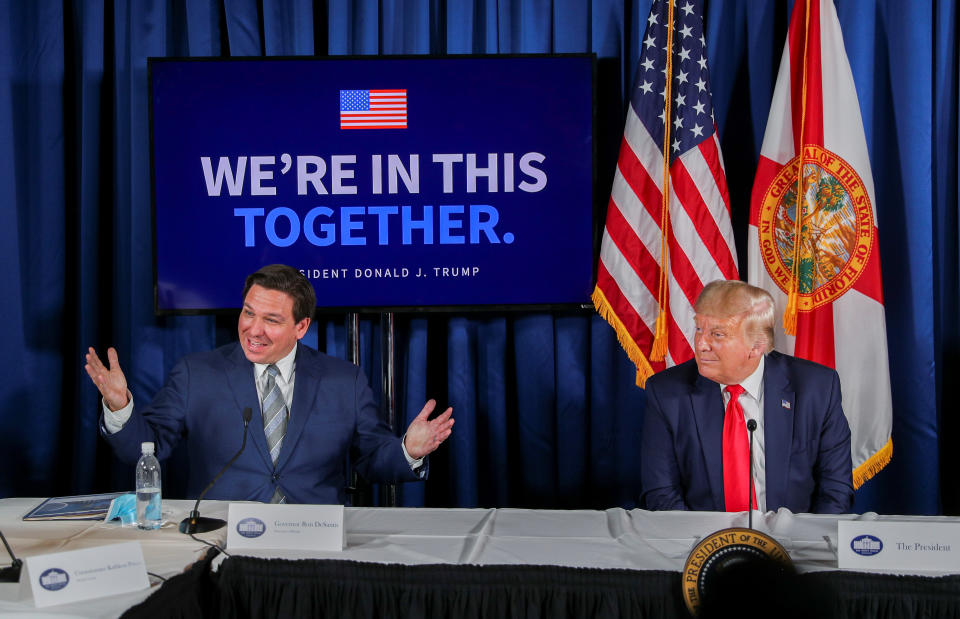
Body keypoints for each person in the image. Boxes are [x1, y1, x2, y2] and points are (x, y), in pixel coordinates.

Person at [85, 264, 454, 504]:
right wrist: (120, 407)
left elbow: (372, 460)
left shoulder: (345, 381)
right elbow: (146, 448)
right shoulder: (196, 373)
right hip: (222, 539)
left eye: (272, 320)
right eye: (248, 313)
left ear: (301, 327)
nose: (253, 329)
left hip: (314, 540)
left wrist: (408, 450)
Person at [640, 279, 853, 513]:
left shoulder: (817, 388)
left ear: (756, 346)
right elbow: (662, 494)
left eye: (717, 334)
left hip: (793, 543)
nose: (700, 344)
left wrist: (804, 546)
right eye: (699, 329)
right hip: (702, 543)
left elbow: (835, 492)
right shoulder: (667, 392)